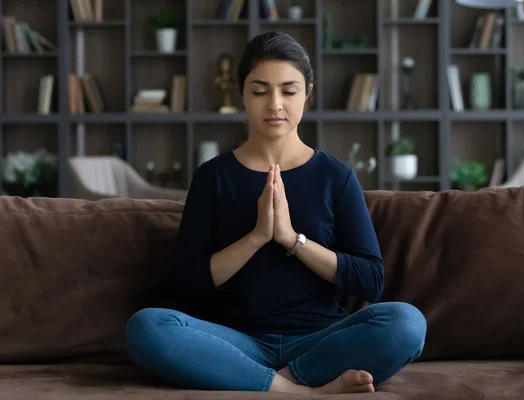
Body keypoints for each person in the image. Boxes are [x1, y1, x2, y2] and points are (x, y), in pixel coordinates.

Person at [125, 31, 427, 394]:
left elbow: (369, 279)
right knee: (147, 327)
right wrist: (256, 237)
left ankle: (274, 384)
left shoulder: (336, 176)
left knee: (406, 323)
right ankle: (302, 393)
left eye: (289, 90)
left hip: (320, 340)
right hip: (236, 343)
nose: (275, 105)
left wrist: (290, 239)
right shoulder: (212, 177)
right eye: (260, 91)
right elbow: (187, 284)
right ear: (242, 95)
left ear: (308, 93)